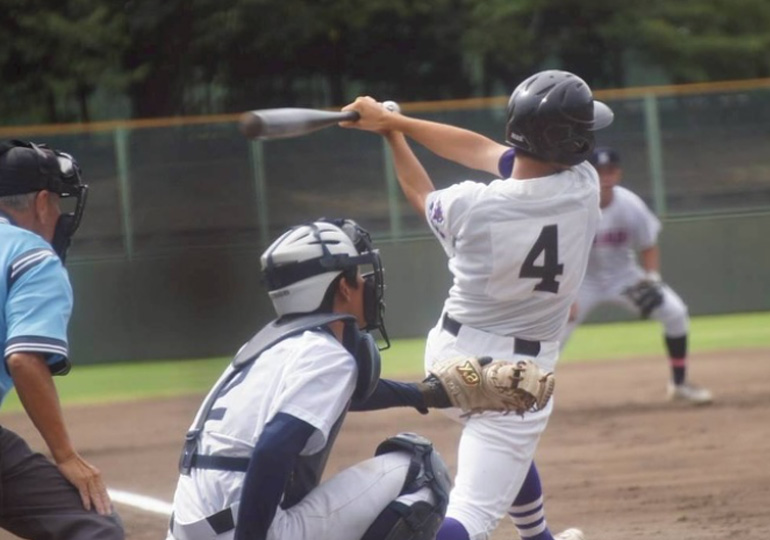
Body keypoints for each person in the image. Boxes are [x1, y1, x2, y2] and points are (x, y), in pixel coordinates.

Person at [342, 69, 613, 540]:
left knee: (505, 454)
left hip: (447, 358)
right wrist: (392, 123)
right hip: (516, 372)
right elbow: (482, 150)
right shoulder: (583, 186)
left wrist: (393, 131)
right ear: (570, 144)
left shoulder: (471, 206)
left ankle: (539, 538)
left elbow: (425, 188)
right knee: (471, 514)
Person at [168, 218, 458, 540]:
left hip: (189, 528)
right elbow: (272, 450)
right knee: (422, 469)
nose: (364, 283)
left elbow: (335, 395)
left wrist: (424, 393)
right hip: (245, 532)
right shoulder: (327, 353)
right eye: (356, 275)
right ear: (343, 287)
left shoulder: (267, 348)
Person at [0, 140, 124, 538]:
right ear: (40, 203)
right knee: (95, 528)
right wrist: (65, 455)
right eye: (56, 203)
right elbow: (23, 359)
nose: (57, 214)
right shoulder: (31, 254)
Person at [560, 146, 713, 404]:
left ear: (618, 173)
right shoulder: (574, 206)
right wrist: (565, 293)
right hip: (581, 281)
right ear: (588, 173)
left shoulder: (629, 204)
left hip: (624, 278)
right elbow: (562, 252)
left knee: (675, 313)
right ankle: (530, 396)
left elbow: (648, 244)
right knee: (552, 337)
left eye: (610, 170)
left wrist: (651, 277)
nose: (605, 176)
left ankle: (679, 384)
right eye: (599, 170)